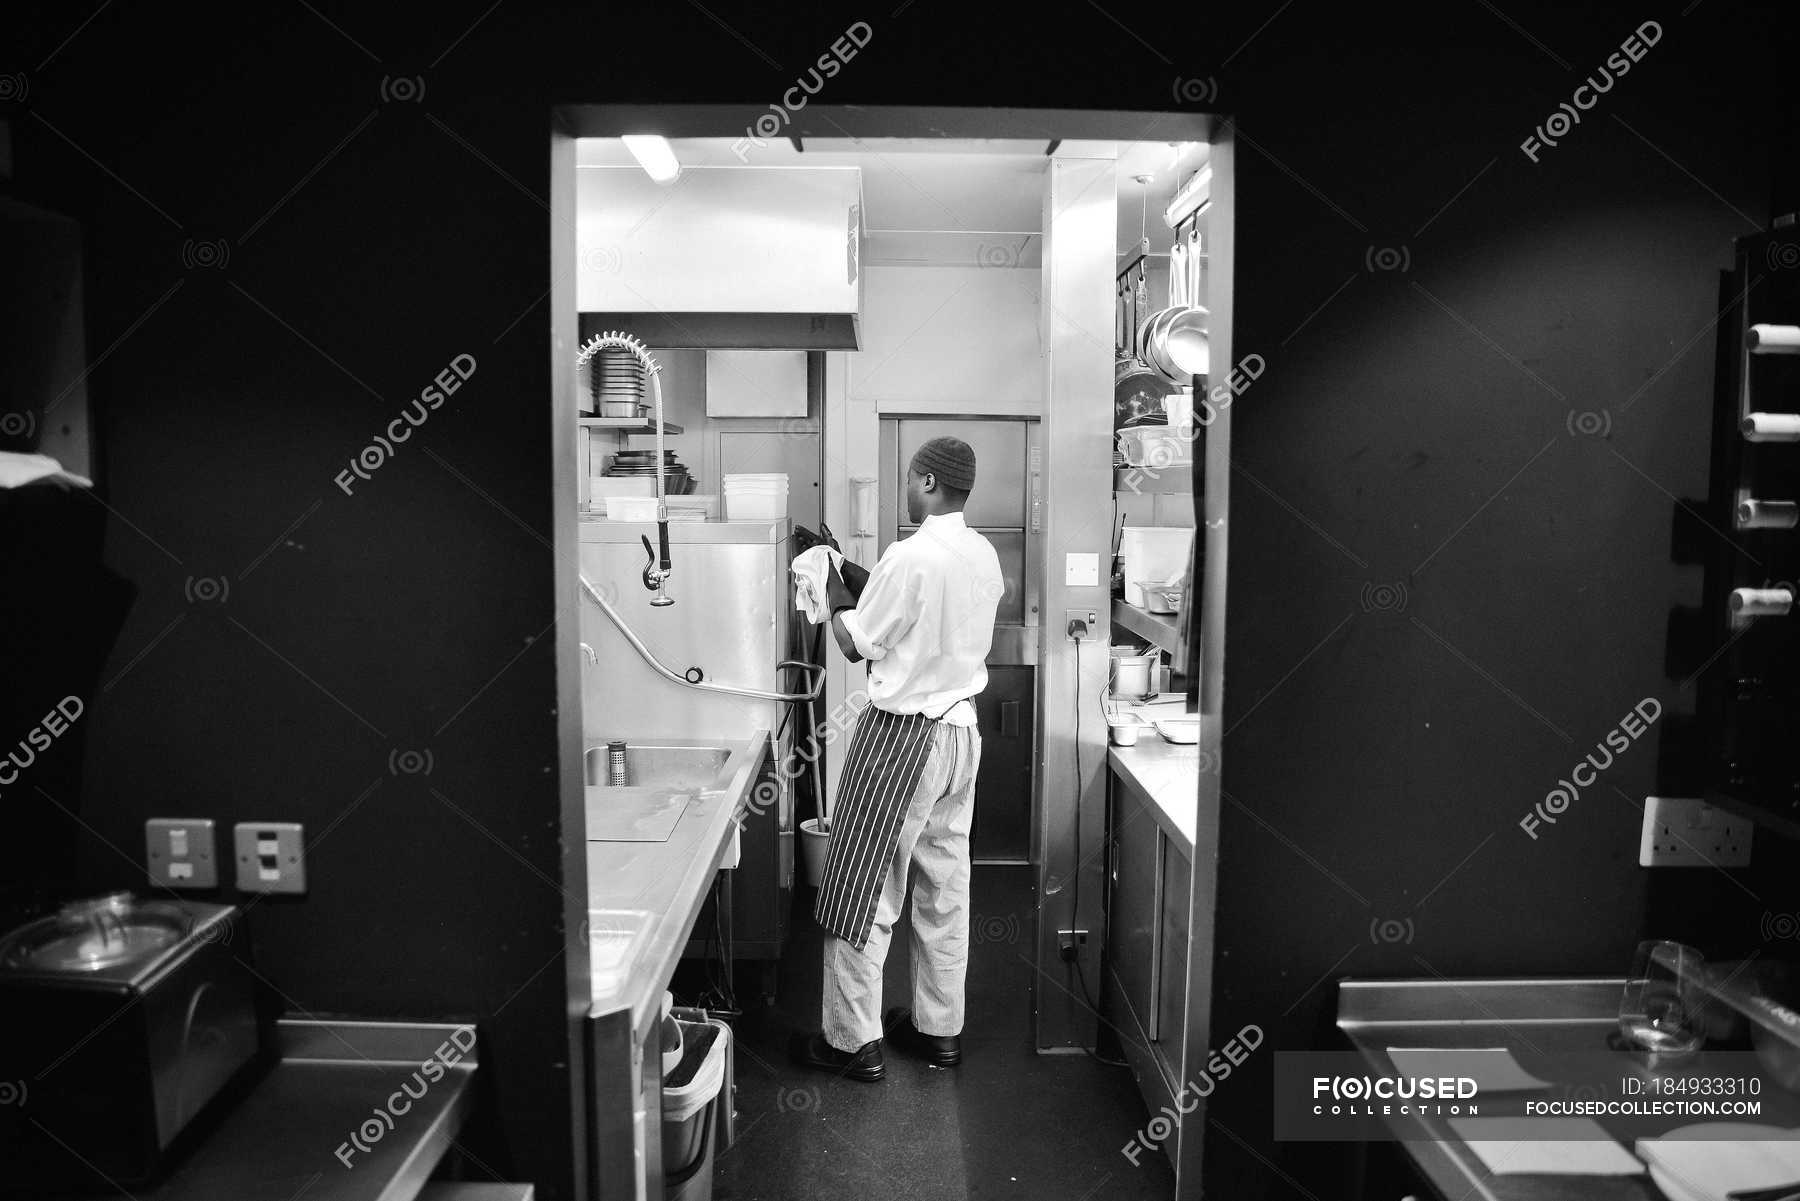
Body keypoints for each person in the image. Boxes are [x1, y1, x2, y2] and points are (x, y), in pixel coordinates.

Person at [788, 436, 1003, 1081]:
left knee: (864, 890)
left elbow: (856, 643)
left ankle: (852, 1042)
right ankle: (941, 1032)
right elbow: (914, 608)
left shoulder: (908, 557)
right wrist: (857, 572)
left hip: (900, 739)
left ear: (929, 481)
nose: (906, 489)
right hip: (961, 737)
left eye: (911, 479)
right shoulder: (981, 553)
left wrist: (828, 587)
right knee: (944, 892)